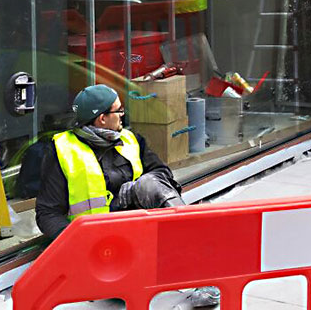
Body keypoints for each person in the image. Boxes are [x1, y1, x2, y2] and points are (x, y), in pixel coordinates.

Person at [36, 85, 219, 307]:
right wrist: (80, 245)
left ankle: (205, 272)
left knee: (150, 183)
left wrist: (135, 188)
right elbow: (47, 214)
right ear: (101, 119)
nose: (123, 115)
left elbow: (163, 175)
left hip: (141, 233)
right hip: (101, 248)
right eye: (119, 110)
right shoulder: (62, 151)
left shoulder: (131, 139)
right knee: (131, 288)